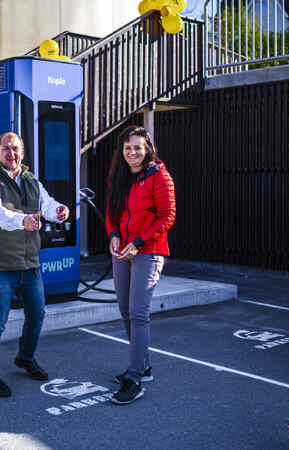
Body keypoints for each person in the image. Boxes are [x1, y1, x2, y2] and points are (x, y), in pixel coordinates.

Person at [0, 132, 69, 397]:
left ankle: (25, 357)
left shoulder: (31, 179)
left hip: (30, 263)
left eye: (15, 149)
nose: (11, 153)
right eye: (6, 148)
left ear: (22, 153)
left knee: (37, 314)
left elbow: (47, 205)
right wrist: (22, 220)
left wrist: (59, 211)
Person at [105, 125, 176, 405]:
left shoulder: (159, 176)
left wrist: (138, 241)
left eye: (137, 147)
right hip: (121, 250)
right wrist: (113, 235)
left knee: (138, 312)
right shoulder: (119, 175)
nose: (132, 152)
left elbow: (167, 216)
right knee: (125, 310)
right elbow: (112, 210)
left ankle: (134, 377)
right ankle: (143, 366)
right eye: (127, 148)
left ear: (147, 149)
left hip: (148, 250)